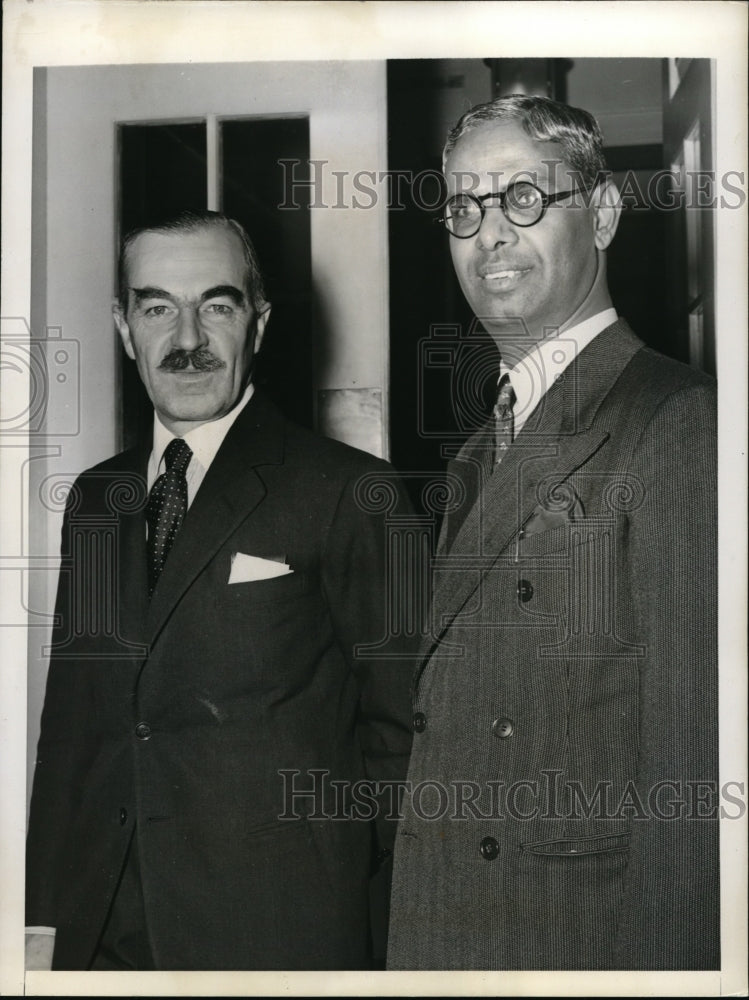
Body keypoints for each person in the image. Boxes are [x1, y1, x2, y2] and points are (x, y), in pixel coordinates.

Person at [26, 209, 413, 971]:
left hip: (273, 932)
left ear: (258, 323)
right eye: (157, 307)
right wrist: (41, 920)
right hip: (102, 931)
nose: (188, 339)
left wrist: (330, 882)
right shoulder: (96, 500)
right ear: (123, 325)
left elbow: (405, 732)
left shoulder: (349, 493)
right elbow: (73, 728)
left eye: (217, 304)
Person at [387, 96, 719, 971]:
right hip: (451, 927)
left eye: (523, 199)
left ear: (602, 215)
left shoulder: (674, 421)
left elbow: (691, 769)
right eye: (463, 208)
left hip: (567, 940)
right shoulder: (473, 450)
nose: (486, 233)